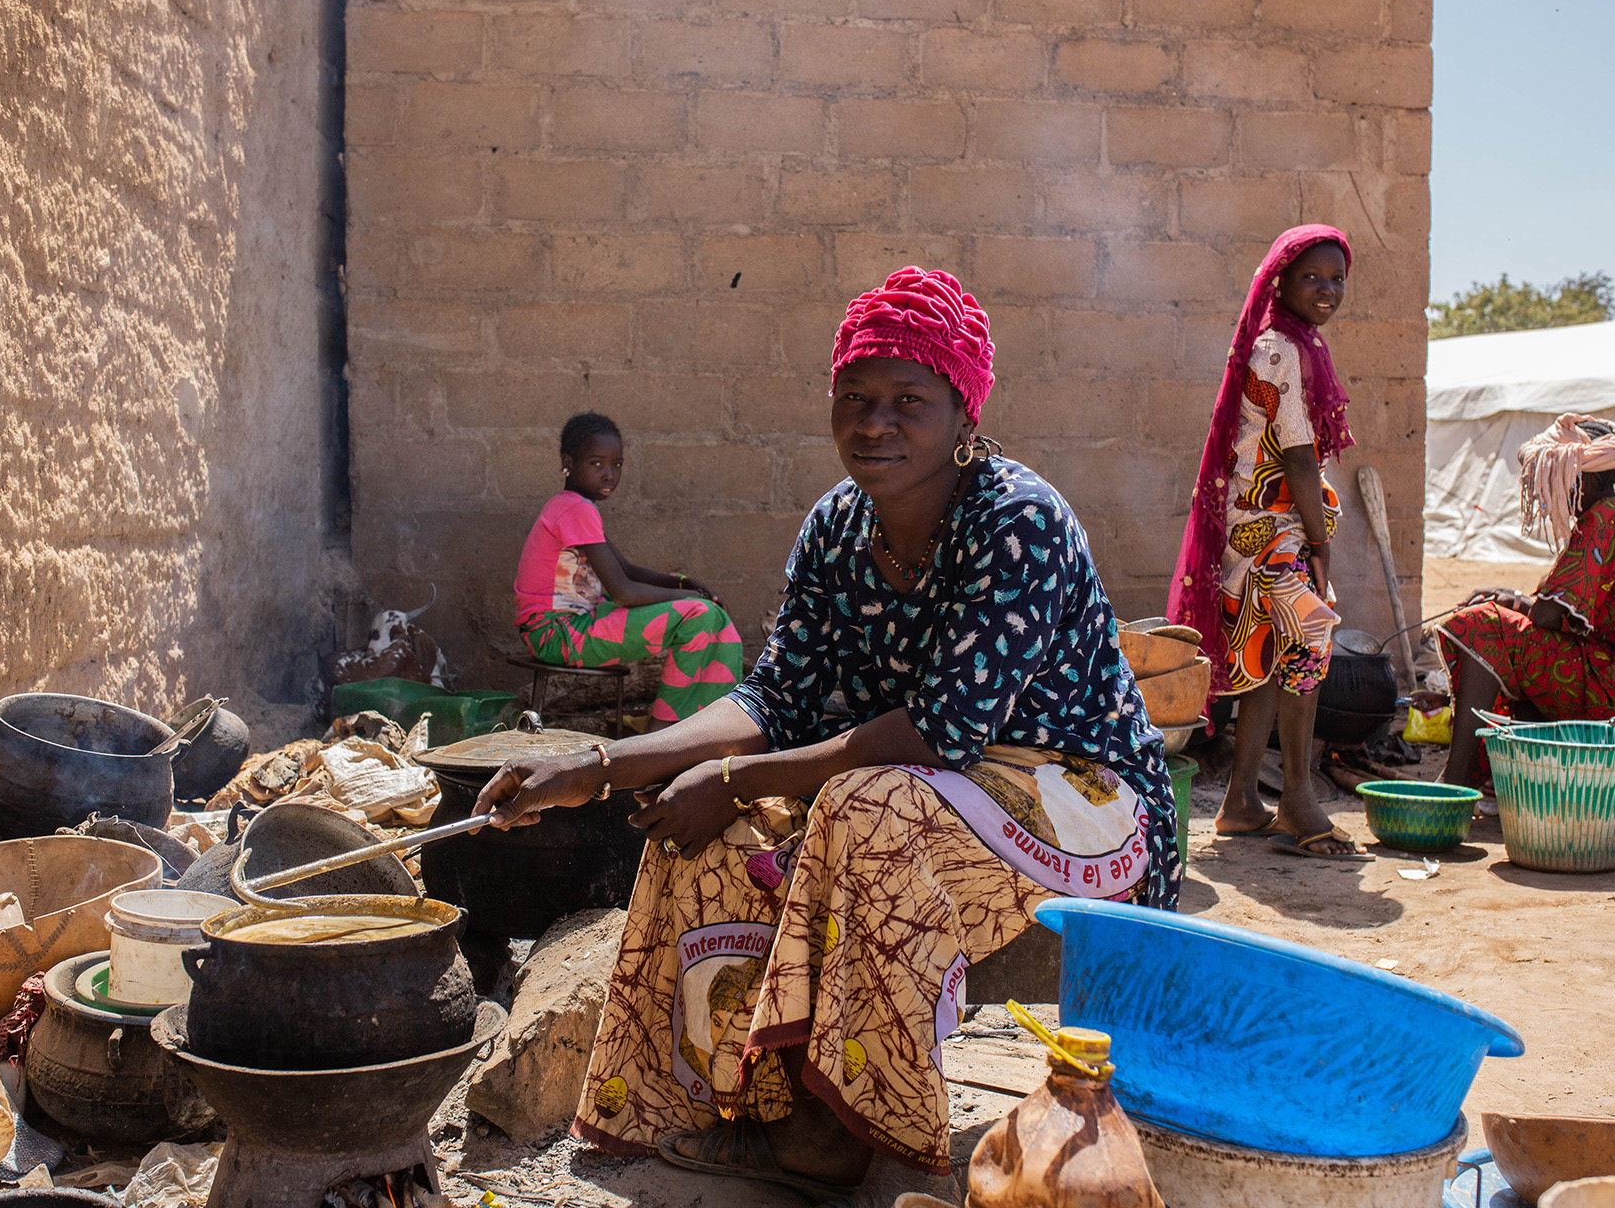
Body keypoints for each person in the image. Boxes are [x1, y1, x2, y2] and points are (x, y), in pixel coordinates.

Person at [476, 268, 1179, 1201]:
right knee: (712, 827)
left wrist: (733, 778)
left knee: (855, 802)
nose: (873, 423)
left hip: (1074, 793)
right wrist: (598, 766)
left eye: (905, 402)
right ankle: (745, 1103)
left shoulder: (1017, 521)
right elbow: (772, 695)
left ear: (965, 411)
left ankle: (853, 1131)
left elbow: (939, 730)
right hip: (921, 777)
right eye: (854, 398)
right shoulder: (836, 528)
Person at [1168, 224, 1367, 860]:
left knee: (1266, 657)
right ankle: (1300, 798)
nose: (1328, 289)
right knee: (1309, 642)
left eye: (1337, 278)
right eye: (1313, 277)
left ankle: (1242, 801)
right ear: (1282, 282)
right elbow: (1301, 457)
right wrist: (1319, 538)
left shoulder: (1288, 341)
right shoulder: (1282, 348)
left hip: (1256, 524)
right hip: (1270, 531)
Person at [1437, 414, 1615, 797]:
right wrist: (1517, 600)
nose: (1551, 490)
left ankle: (1456, 785)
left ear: (1595, 479)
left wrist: (1511, 601)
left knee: (1484, 626)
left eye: (1561, 478)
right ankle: (1522, 783)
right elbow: (1567, 613)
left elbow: (1550, 615)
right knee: (1514, 642)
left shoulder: (1607, 520)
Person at [514, 412, 744, 728]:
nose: (609, 474)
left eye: (617, 464)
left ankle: (702, 725)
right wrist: (691, 597)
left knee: (707, 613)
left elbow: (626, 570)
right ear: (569, 461)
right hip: (559, 634)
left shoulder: (575, 507)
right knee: (701, 615)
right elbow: (622, 591)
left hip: (566, 628)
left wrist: (682, 583)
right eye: (597, 464)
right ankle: (666, 732)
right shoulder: (574, 508)